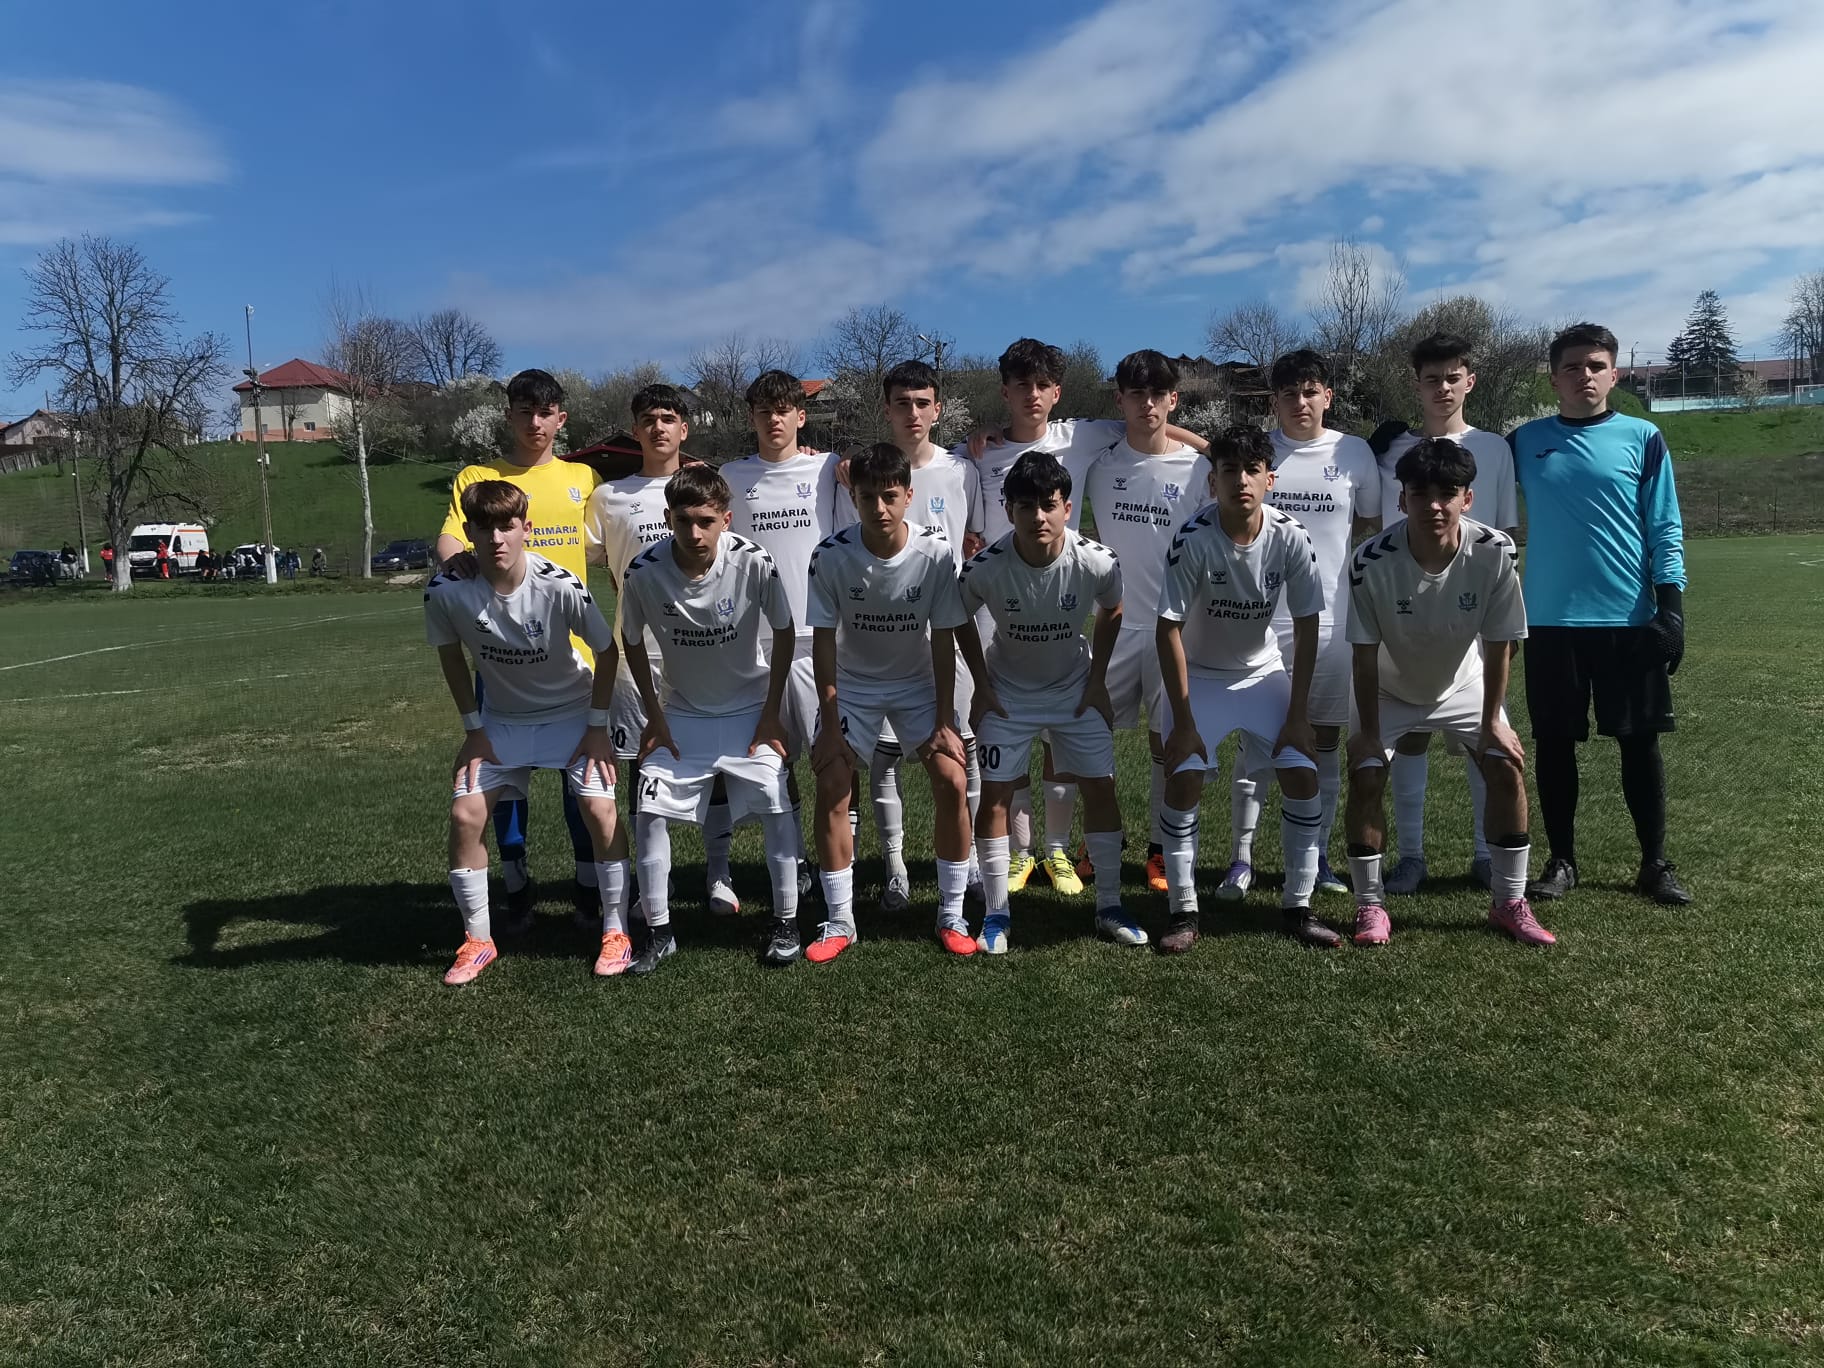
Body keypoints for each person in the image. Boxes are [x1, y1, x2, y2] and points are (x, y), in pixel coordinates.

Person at [965, 339, 1208, 894]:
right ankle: (1021, 852)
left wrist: (1207, 446)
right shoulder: (977, 452)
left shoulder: (1082, 437)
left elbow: (1148, 423)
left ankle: (1063, 849)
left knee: (1075, 731)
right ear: (1005, 392)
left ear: (1057, 392)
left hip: (1075, 610)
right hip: (999, 611)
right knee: (1011, 735)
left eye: (1041, 385)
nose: (1031, 395)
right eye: (1021, 386)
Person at [1343, 437, 1553, 946]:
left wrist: (1492, 721)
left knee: (1505, 766)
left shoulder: (1495, 552)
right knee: (1366, 775)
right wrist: (1368, 732)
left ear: (1468, 498)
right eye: (1420, 494)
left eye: (1447, 493)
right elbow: (1363, 655)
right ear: (1402, 500)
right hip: (1389, 688)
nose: (1434, 505)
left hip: (1463, 681)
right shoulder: (1369, 560)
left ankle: (1509, 902)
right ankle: (1370, 906)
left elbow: (1502, 642)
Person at [1510, 322, 1691, 906]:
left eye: (1595, 366)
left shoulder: (1643, 436)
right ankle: (1562, 861)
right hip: (1549, 621)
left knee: (1639, 744)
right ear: (1554, 377)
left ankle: (1654, 864)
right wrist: (1397, 445)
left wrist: (1672, 611)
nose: (1583, 376)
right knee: (1554, 743)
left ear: (1614, 374)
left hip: (1629, 620)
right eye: (1571, 366)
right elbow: (1458, 466)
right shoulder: (1523, 441)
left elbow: (1665, 526)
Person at [422, 479, 628, 986]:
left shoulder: (559, 585)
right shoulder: (445, 591)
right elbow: (451, 658)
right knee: (465, 813)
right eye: (484, 527)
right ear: (469, 532)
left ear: (526, 529)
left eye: (507, 526)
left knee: (599, 809)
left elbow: (607, 653)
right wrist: (473, 730)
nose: (497, 538)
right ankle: (478, 940)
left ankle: (617, 930)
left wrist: (597, 729)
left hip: (572, 714)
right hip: (502, 722)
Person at [1206, 350, 1380, 903]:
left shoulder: (1354, 453)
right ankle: (1242, 858)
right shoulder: (1256, 453)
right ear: (1273, 401)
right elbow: (1204, 457)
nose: (1300, 403)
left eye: (1310, 392)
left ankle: (1317, 856)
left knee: (1321, 740)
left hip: (1330, 623)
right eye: (1288, 394)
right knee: (1255, 743)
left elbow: (1368, 525)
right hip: (1258, 623)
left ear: (1328, 395)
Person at [1156, 425, 1334, 952]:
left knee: (1302, 772)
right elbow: (1168, 629)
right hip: (1201, 677)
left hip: (1261, 672)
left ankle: (1298, 907)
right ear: (1212, 481)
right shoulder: (1193, 538)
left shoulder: (1291, 536)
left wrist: (1298, 715)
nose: (1241, 481)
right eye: (1229, 470)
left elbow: (1307, 625)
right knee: (1184, 777)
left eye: (1252, 470)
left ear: (1269, 480)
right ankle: (1183, 911)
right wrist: (1184, 723)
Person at [618, 465, 803, 974]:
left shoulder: (754, 562)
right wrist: (655, 716)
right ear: (667, 519)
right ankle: (659, 932)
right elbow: (630, 641)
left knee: (776, 802)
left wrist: (771, 714)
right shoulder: (643, 571)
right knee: (649, 807)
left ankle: (786, 922)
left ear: (726, 519)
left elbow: (784, 631)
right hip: (683, 713)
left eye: (705, 521)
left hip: (748, 709)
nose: (694, 533)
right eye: (683, 521)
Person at [435, 369, 602, 929]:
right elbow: (451, 538)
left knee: (583, 786)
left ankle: (588, 890)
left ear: (561, 418)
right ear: (509, 416)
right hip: (504, 660)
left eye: (545, 412)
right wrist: (458, 562)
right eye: (524, 412)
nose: (534, 422)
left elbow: (620, 531)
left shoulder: (584, 478)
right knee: (504, 783)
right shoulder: (480, 477)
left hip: (574, 661)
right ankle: (516, 884)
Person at [956, 451, 1140, 952]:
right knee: (994, 795)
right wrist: (982, 686)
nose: (1037, 516)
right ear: (1009, 510)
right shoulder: (986, 567)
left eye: (1048, 505)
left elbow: (1113, 608)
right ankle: (996, 914)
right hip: (1008, 696)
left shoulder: (1097, 560)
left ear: (1066, 508)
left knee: (1100, 788)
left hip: (1075, 691)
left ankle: (1109, 906)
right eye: (1025, 506)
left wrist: (1097, 681)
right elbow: (957, 616)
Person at [805, 442, 975, 961]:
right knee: (833, 780)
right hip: (854, 685)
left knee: (952, 778)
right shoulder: (830, 555)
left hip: (915, 682)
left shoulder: (936, 553)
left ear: (908, 495)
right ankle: (840, 920)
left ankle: (951, 913)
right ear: (853, 498)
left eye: (889, 496)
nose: (879, 508)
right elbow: (823, 642)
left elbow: (943, 639)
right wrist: (830, 722)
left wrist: (944, 720)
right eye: (867, 498)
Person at [1369, 333, 1521, 895]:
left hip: (1473, 610)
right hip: (1402, 612)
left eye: (1452, 377)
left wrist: (1502, 613)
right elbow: (1375, 527)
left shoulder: (1494, 448)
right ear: (1416, 385)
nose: (1443, 388)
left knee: (1487, 735)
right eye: (1431, 379)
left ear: (1469, 381)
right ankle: (1411, 857)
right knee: (1409, 736)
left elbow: (1506, 532)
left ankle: (1485, 853)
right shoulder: (1390, 450)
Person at [840, 360, 984, 916]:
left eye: (923, 403)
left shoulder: (963, 470)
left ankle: (971, 863)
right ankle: (895, 867)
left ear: (938, 409)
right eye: (902, 403)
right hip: (879, 639)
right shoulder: (856, 473)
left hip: (944, 633)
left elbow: (974, 543)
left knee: (959, 749)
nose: (913, 413)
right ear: (887, 409)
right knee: (884, 759)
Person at [585, 383, 718, 912]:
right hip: (635, 656)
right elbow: (592, 560)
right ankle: (650, 885)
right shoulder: (609, 497)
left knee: (716, 763)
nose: (658, 427)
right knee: (641, 769)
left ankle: (719, 874)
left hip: (705, 651)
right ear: (635, 430)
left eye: (668, 419)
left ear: (684, 428)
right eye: (648, 419)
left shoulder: (710, 485)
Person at [1078, 349, 1204, 897]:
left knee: (1166, 740)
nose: (1147, 404)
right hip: (1114, 622)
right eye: (1136, 394)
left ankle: (1159, 847)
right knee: (1091, 733)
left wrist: (1206, 444)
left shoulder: (1199, 468)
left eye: (1157, 394)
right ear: (1120, 400)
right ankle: (1096, 841)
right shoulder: (1099, 463)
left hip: (1174, 626)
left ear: (1172, 399)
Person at [719, 369, 842, 890]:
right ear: (751, 418)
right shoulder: (730, 475)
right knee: (774, 760)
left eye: (783, 410)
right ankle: (796, 864)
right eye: (764, 411)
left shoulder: (828, 468)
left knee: (833, 757)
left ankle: (842, 866)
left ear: (801, 416)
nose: (774, 419)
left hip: (819, 638)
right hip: (757, 642)